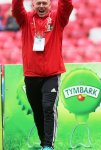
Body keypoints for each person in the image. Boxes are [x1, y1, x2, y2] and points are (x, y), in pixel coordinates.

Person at [12, 0, 73, 149]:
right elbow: (16, 7)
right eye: (38, 3)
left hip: (52, 74)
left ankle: (48, 146)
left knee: (48, 107)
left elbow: (67, 5)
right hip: (31, 74)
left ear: (50, 5)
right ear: (33, 5)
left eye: (44, 3)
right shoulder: (25, 19)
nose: (41, 6)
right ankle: (43, 142)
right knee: (38, 111)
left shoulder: (58, 18)